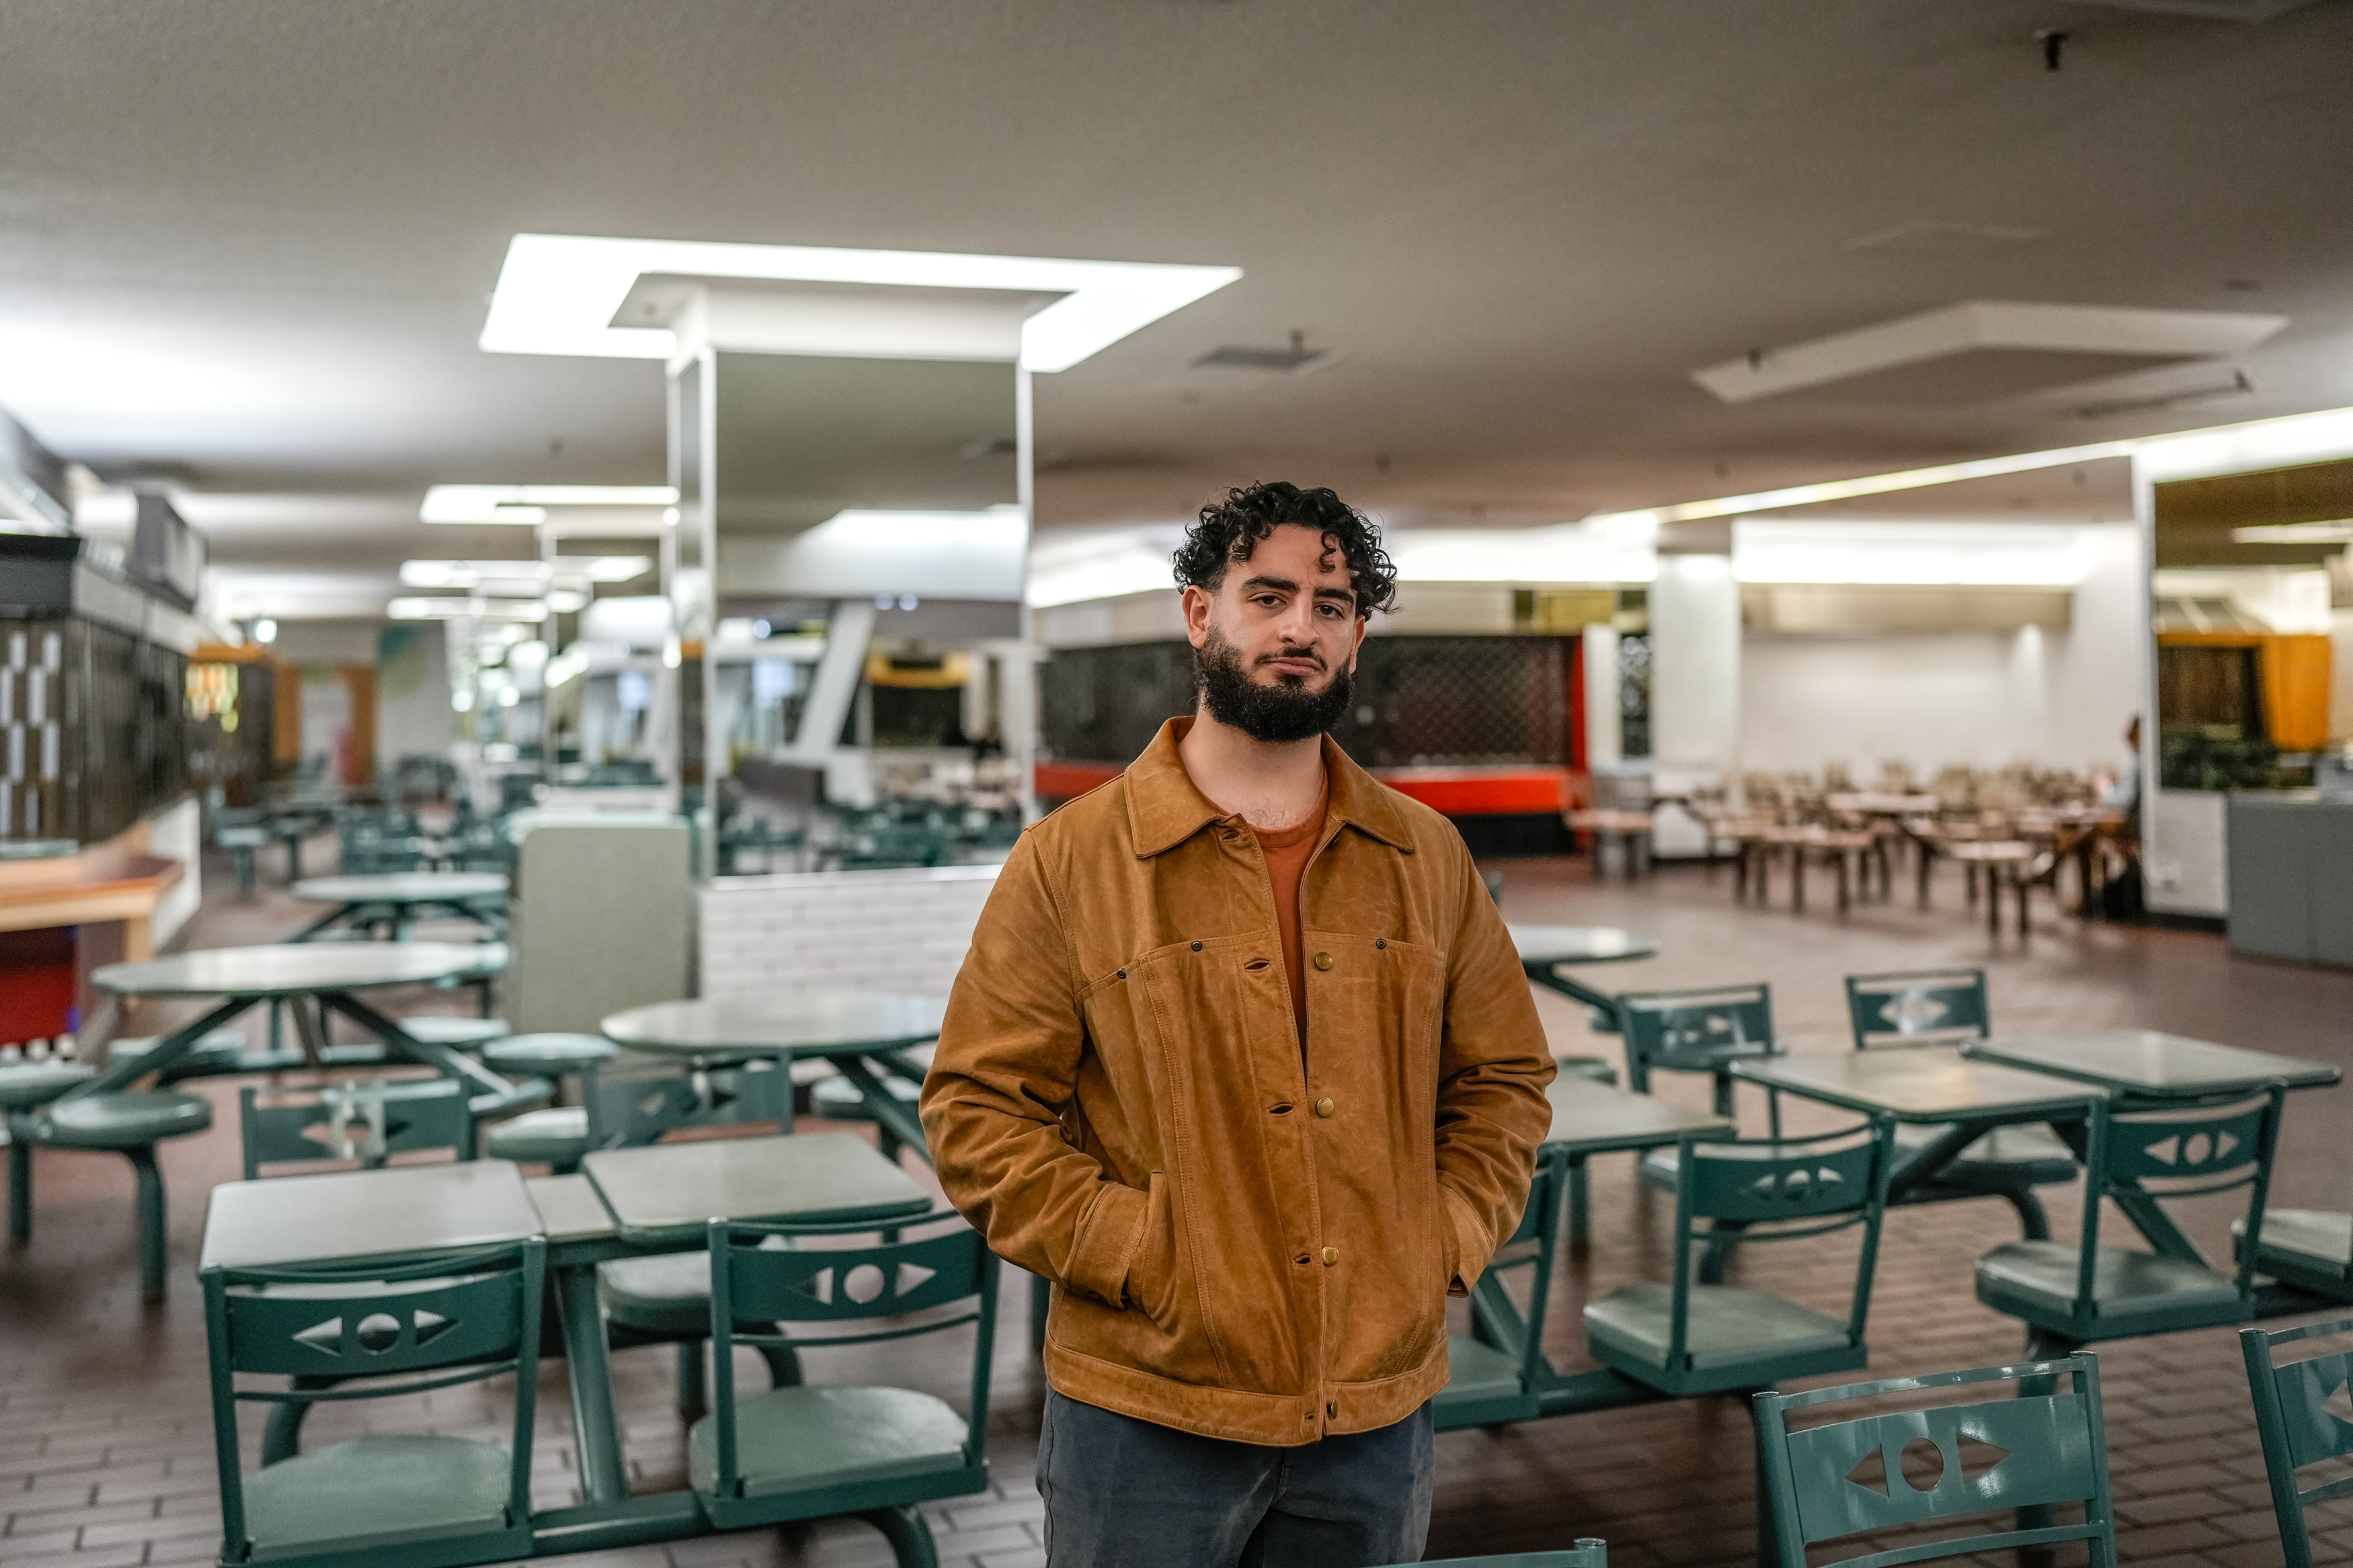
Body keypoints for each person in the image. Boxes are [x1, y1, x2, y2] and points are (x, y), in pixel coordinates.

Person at [920, 481, 1556, 1567]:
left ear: (1356, 639)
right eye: (1268, 595)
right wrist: (1147, 1252)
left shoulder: (1425, 856)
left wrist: (1438, 1240)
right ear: (1200, 613)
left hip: (1375, 1405)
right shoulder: (1073, 861)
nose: (1300, 626)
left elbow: (1504, 1080)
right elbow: (978, 1113)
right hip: (1148, 1405)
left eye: (1333, 604)